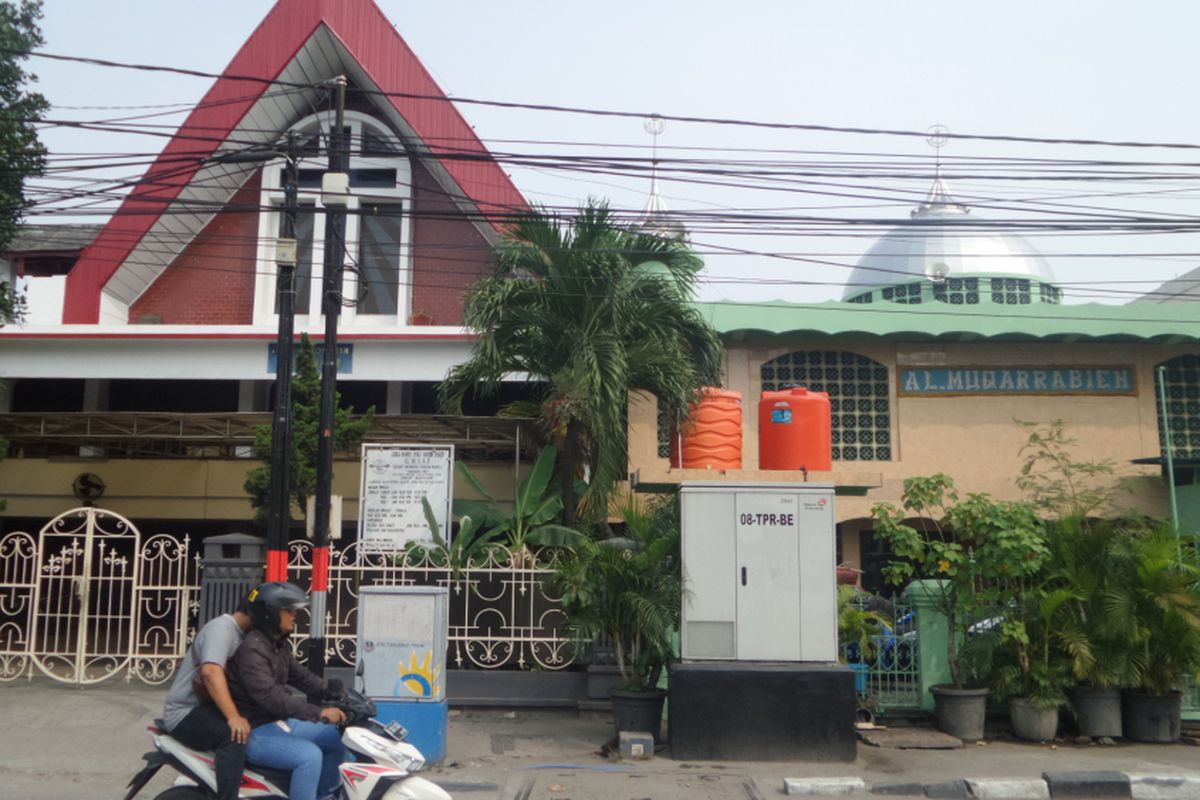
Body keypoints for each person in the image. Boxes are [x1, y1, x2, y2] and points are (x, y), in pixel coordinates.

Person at [227, 581, 348, 800]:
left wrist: (334, 692)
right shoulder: (251, 650)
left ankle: (324, 796)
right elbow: (272, 698)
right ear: (270, 614)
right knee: (310, 756)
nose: (294, 615)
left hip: (281, 724)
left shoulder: (276, 645)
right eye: (289, 610)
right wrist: (318, 713)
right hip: (257, 731)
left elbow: (301, 676)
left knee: (338, 739)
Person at [160, 591, 254, 800]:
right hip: (185, 712)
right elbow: (211, 672)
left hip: (204, 707)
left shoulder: (240, 633)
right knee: (234, 736)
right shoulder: (223, 630)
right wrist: (233, 717)